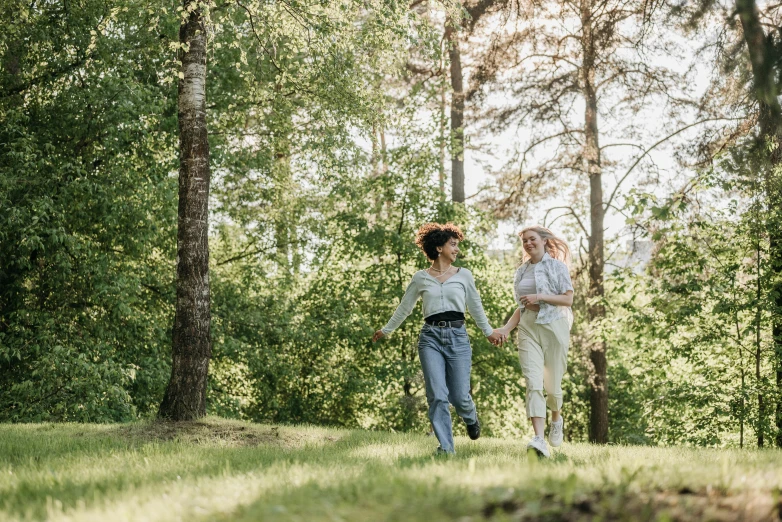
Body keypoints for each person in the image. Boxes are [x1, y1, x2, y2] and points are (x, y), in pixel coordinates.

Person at [372, 223, 506, 454]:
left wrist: (488, 332)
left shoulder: (464, 275)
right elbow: (405, 308)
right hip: (430, 338)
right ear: (438, 247)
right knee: (437, 395)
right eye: (452, 245)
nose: (456, 250)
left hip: (458, 337)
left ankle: (470, 416)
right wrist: (387, 329)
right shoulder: (420, 278)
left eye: (457, 246)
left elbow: (475, 307)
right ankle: (446, 448)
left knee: (459, 396)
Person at [497, 225, 574, 458]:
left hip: (553, 327)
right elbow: (522, 307)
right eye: (525, 241)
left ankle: (556, 417)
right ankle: (539, 439)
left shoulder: (557, 266)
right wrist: (506, 329)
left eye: (532, 239)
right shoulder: (521, 272)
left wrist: (539, 297)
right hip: (528, 327)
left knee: (552, 387)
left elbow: (568, 299)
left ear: (543, 241)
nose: (528, 244)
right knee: (533, 382)